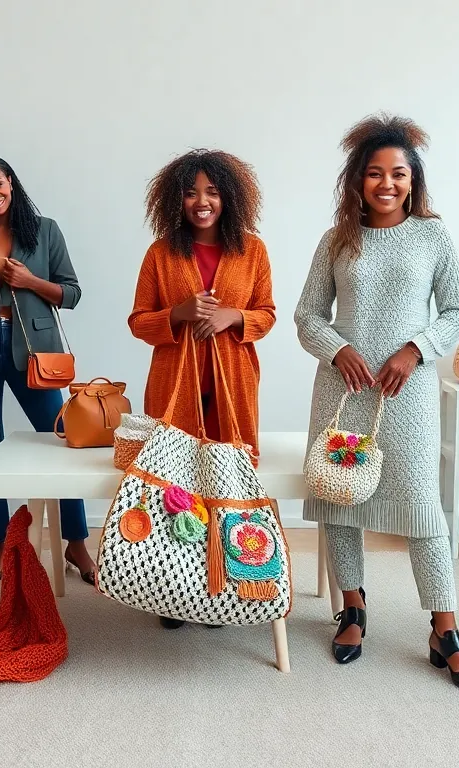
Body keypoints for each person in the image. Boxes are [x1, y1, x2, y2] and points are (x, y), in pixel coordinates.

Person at [295, 114, 459, 693]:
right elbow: (306, 317)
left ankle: (444, 629)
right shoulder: (336, 240)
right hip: (344, 390)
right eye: (374, 173)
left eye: (397, 173)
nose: (386, 183)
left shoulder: (433, 234)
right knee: (340, 498)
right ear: (357, 179)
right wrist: (338, 349)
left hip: (407, 394)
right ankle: (352, 608)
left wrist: (415, 348)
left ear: (412, 179)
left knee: (422, 508)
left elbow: (458, 312)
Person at [128, 148, 275, 630]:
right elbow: (138, 321)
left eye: (212, 192)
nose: (201, 201)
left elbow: (267, 313)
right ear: (176, 199)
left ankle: (225, 584)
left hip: (233, 384)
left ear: (229, 197)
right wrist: (178, 313)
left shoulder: (252, 250)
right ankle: (174, 590)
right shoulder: (160, 252)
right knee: (175, 484)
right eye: (191, 193)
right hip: (176, 383)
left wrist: (236, 316)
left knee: (226, 483)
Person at [0, 154, 95, 587]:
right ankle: (0, 545)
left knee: (63, 442)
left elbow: (72, 293)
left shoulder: (44, 230)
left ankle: (76, 543)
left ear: (11, 181)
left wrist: (29, 281)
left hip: (35, 351)